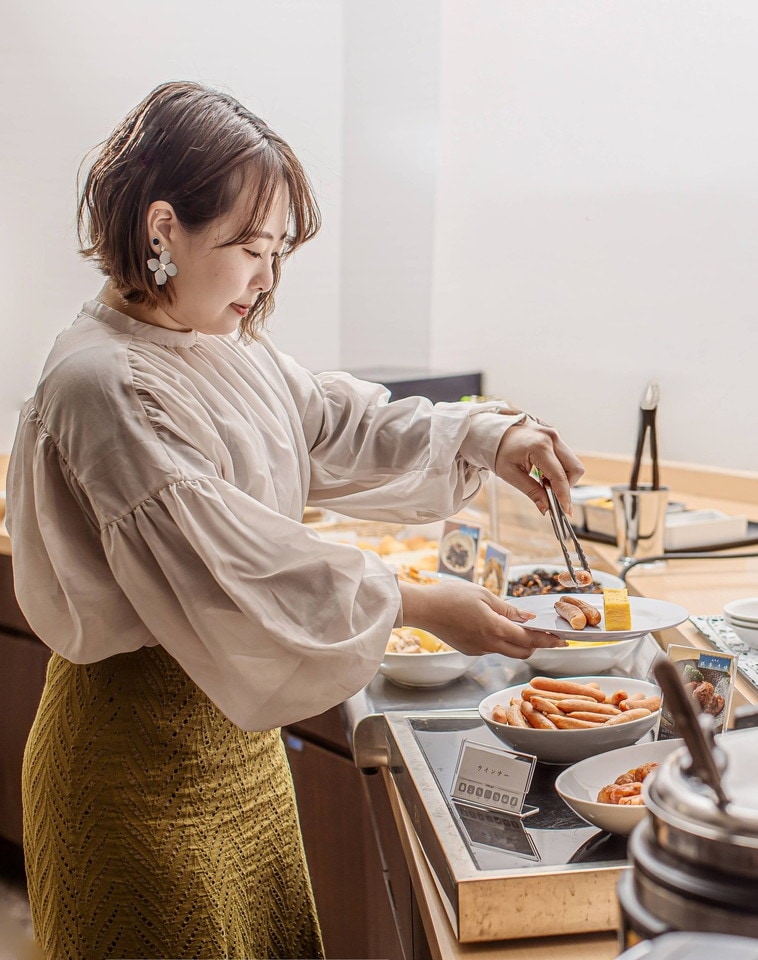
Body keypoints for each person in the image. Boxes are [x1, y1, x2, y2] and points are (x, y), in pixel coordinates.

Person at [6, 80, 581, 959]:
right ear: (163, 229)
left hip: (242, 760)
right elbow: (239, 566)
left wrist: (485, 432)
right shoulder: (104, 382)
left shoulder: (217, 348)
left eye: (278, 250)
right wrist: (421, 603)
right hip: (132, 773)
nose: (267, 276)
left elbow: (330, 424)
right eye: (248, 247)